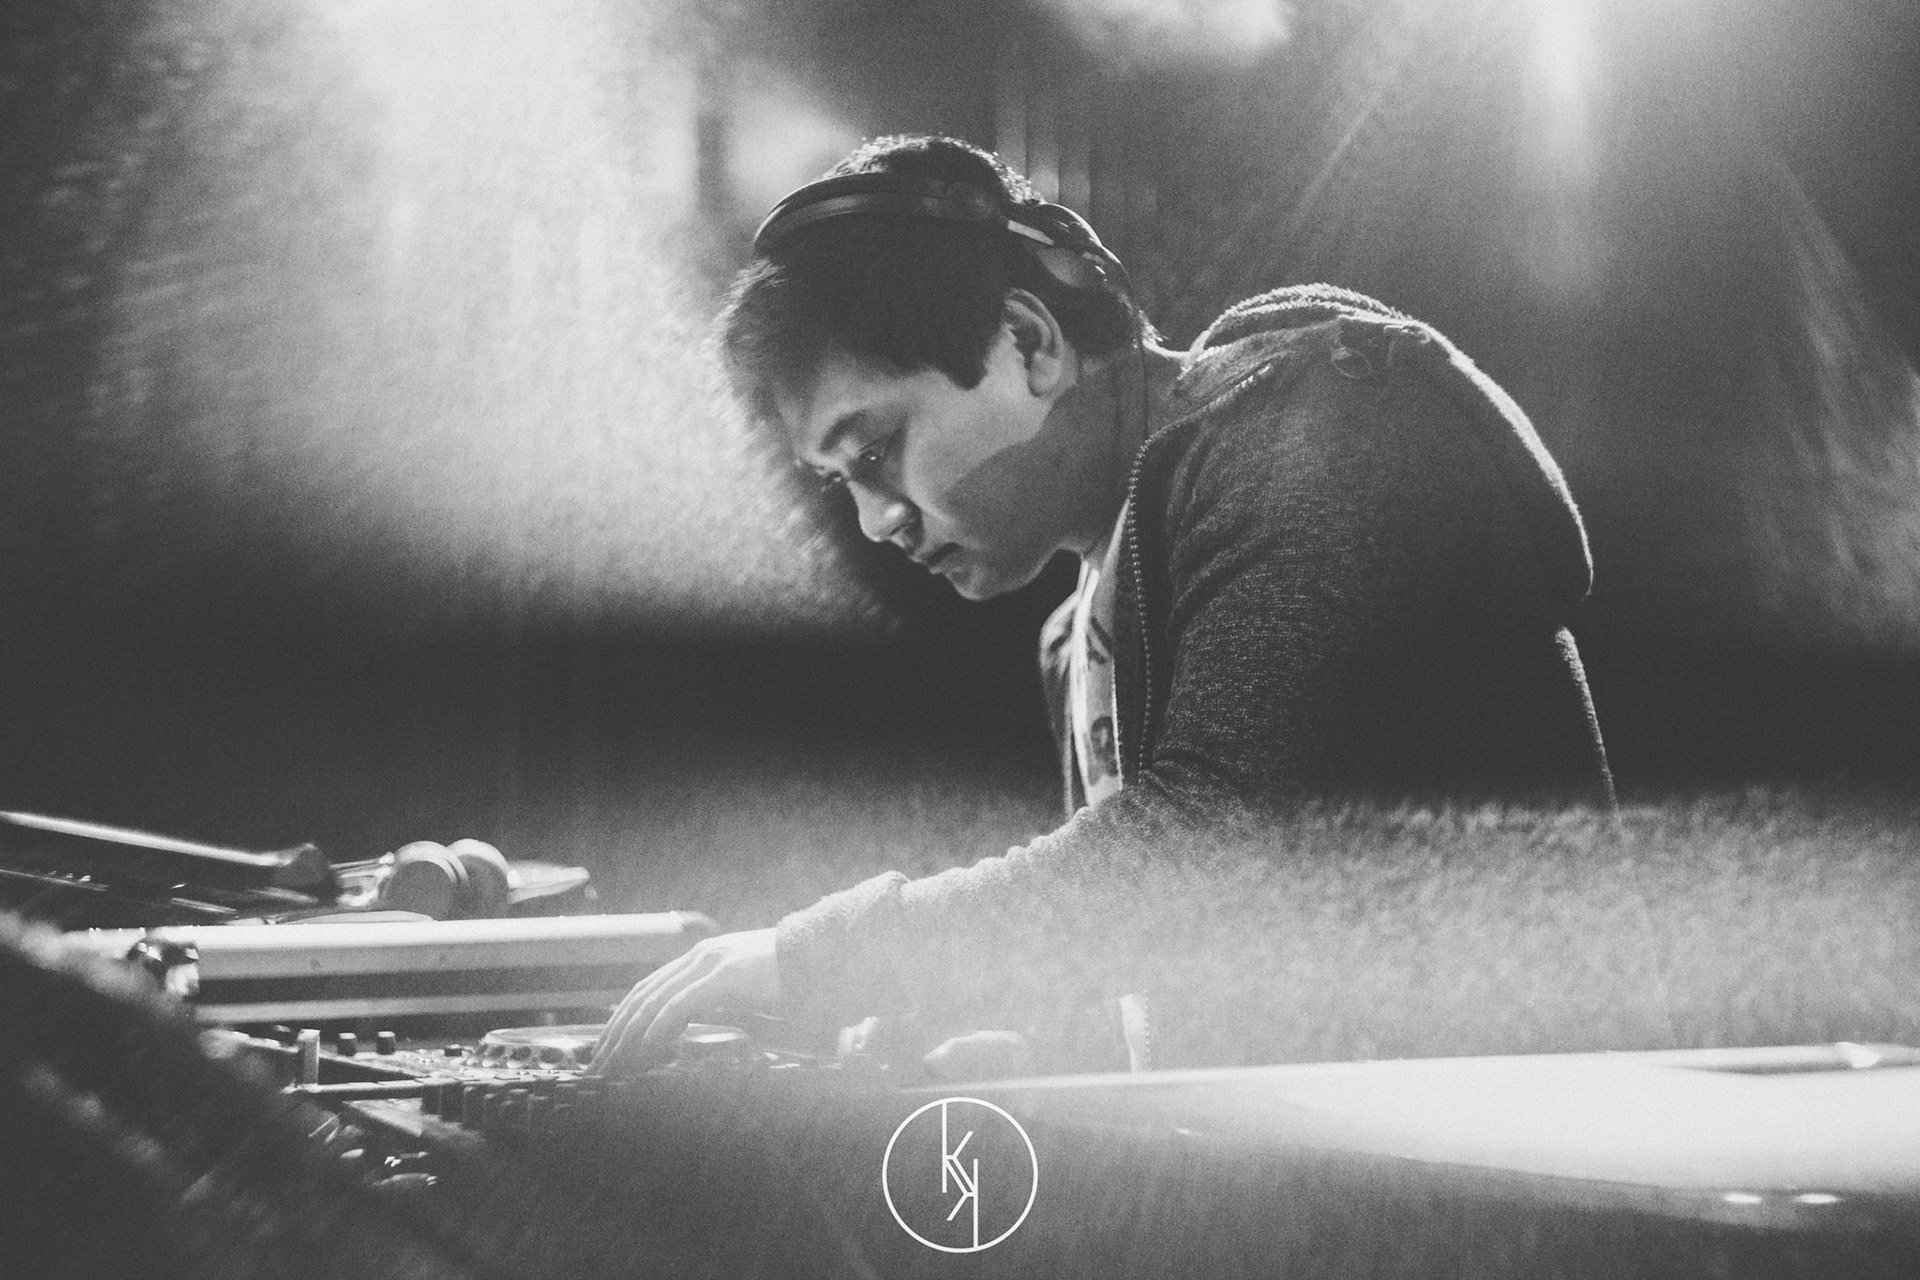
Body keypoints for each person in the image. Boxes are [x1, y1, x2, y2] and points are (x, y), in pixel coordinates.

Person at [590, 134, 1612, 1076]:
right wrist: (1034, 1041)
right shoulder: (1078, 632)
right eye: (839, 481)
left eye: (876, 450)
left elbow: (1206, 859)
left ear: (1028, 342)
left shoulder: (1320, 444)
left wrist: (826, 958)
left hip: (1528, 1182)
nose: (874, 521)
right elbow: (1189, 961)